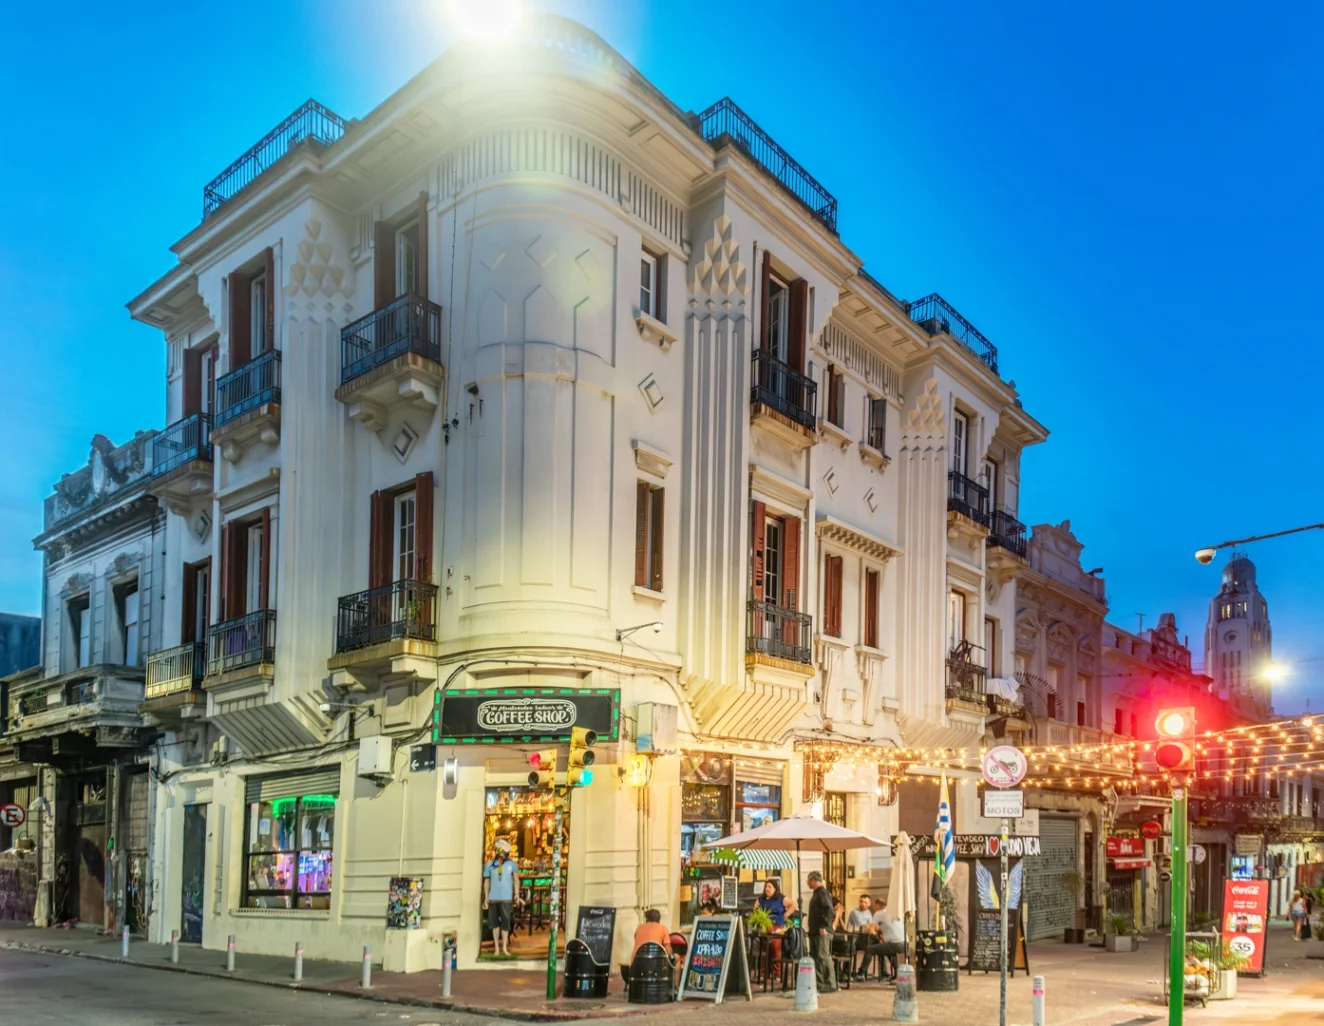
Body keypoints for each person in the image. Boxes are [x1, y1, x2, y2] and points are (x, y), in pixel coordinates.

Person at [482, 839, 520, 957]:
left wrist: (516, 893)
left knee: (505, 924)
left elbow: (516, 880)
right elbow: (486, 881)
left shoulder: (512, 865)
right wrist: (486, 896)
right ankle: (497, 948)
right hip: (493, 897)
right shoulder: (489, 865)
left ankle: (504, 947)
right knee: (494, 924)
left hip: (506, 898)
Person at [806, 871, 837, 993]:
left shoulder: (822, 893)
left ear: (813, 880)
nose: (808, 883)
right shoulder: (817, 894)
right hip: (815, 931)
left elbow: (829, 910)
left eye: (808, 880)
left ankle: (830, 983)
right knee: (816, 957)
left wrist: (824, 926)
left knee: (823, 956)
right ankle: (819, 983)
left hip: (822, 931)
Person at [866, 899, 907, 981]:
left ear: (877, 905)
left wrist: (876, 934)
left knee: (868, 949)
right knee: (887, 949)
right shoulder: (894, 912)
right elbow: (889, 927)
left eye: (874, 906)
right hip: (905, 944)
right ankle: (897, 972)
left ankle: (861, 973)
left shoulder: (879, 913)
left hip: (895, 944)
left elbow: (870, 930)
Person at [846, 895, 873, 979]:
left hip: (864, 938)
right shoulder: (854, 912)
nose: (863, 904)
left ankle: (861, 972)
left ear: (869, 904)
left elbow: (870, 926)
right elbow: (863, 926)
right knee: (871, 945)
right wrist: (870, 927)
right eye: (861, 901)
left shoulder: (869, 912)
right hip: (854, 939)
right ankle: (847, 972)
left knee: (872, 948)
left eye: (865, 902)